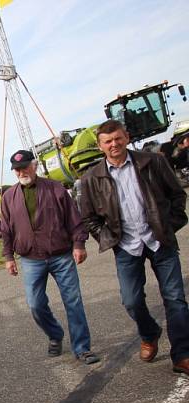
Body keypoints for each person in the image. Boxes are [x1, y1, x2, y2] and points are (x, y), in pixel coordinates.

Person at [79, 120, 189, 375]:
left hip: (159, 241)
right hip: (127, 247)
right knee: (131, 301)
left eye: (118, 138)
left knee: (175, 300)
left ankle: (182, 354)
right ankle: (150, 333)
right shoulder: (92, 178)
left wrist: (168, 226)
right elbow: (88, 218)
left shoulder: (153, 162)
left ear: (126, 138)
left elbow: (177, 195)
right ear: (100, 146)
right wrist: (108, 237)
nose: (114, 144)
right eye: (107, 141)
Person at [0, 150, 99, 365]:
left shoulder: (56, 188)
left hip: (61, 255)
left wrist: (79, 243)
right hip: (31, 259)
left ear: (34, 165)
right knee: (35, 304)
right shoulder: (8, 197)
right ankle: (55, 334)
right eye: (17, 169)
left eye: (25, 166)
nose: (21, 172)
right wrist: (8, 257)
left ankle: (82, 348)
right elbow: (4, 230)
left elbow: (74, 218)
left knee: (73, 302)